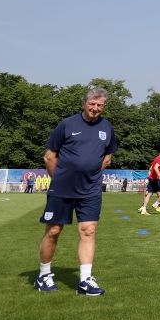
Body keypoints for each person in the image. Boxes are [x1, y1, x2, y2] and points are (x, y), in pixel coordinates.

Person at [34, 86, 117, 295]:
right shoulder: (67, 124)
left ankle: (85, 280)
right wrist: (60, 179)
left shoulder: (107, 127)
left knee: (88, 230)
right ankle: (43, 275)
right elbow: (49, 156)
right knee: (53, 231)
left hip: (90, 190)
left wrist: (91, 174)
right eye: (92, 104)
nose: (95, 108)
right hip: (62, 188)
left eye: (100, 105)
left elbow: (108, 156)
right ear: (84, 104)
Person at [140, 148, 160, 215]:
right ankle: (156, 203)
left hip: (151, 178)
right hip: (156, 179)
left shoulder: (157, 158)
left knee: (149, 194)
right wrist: (159, 175)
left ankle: (144, 209)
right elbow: (155, 167)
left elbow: (151, 168)